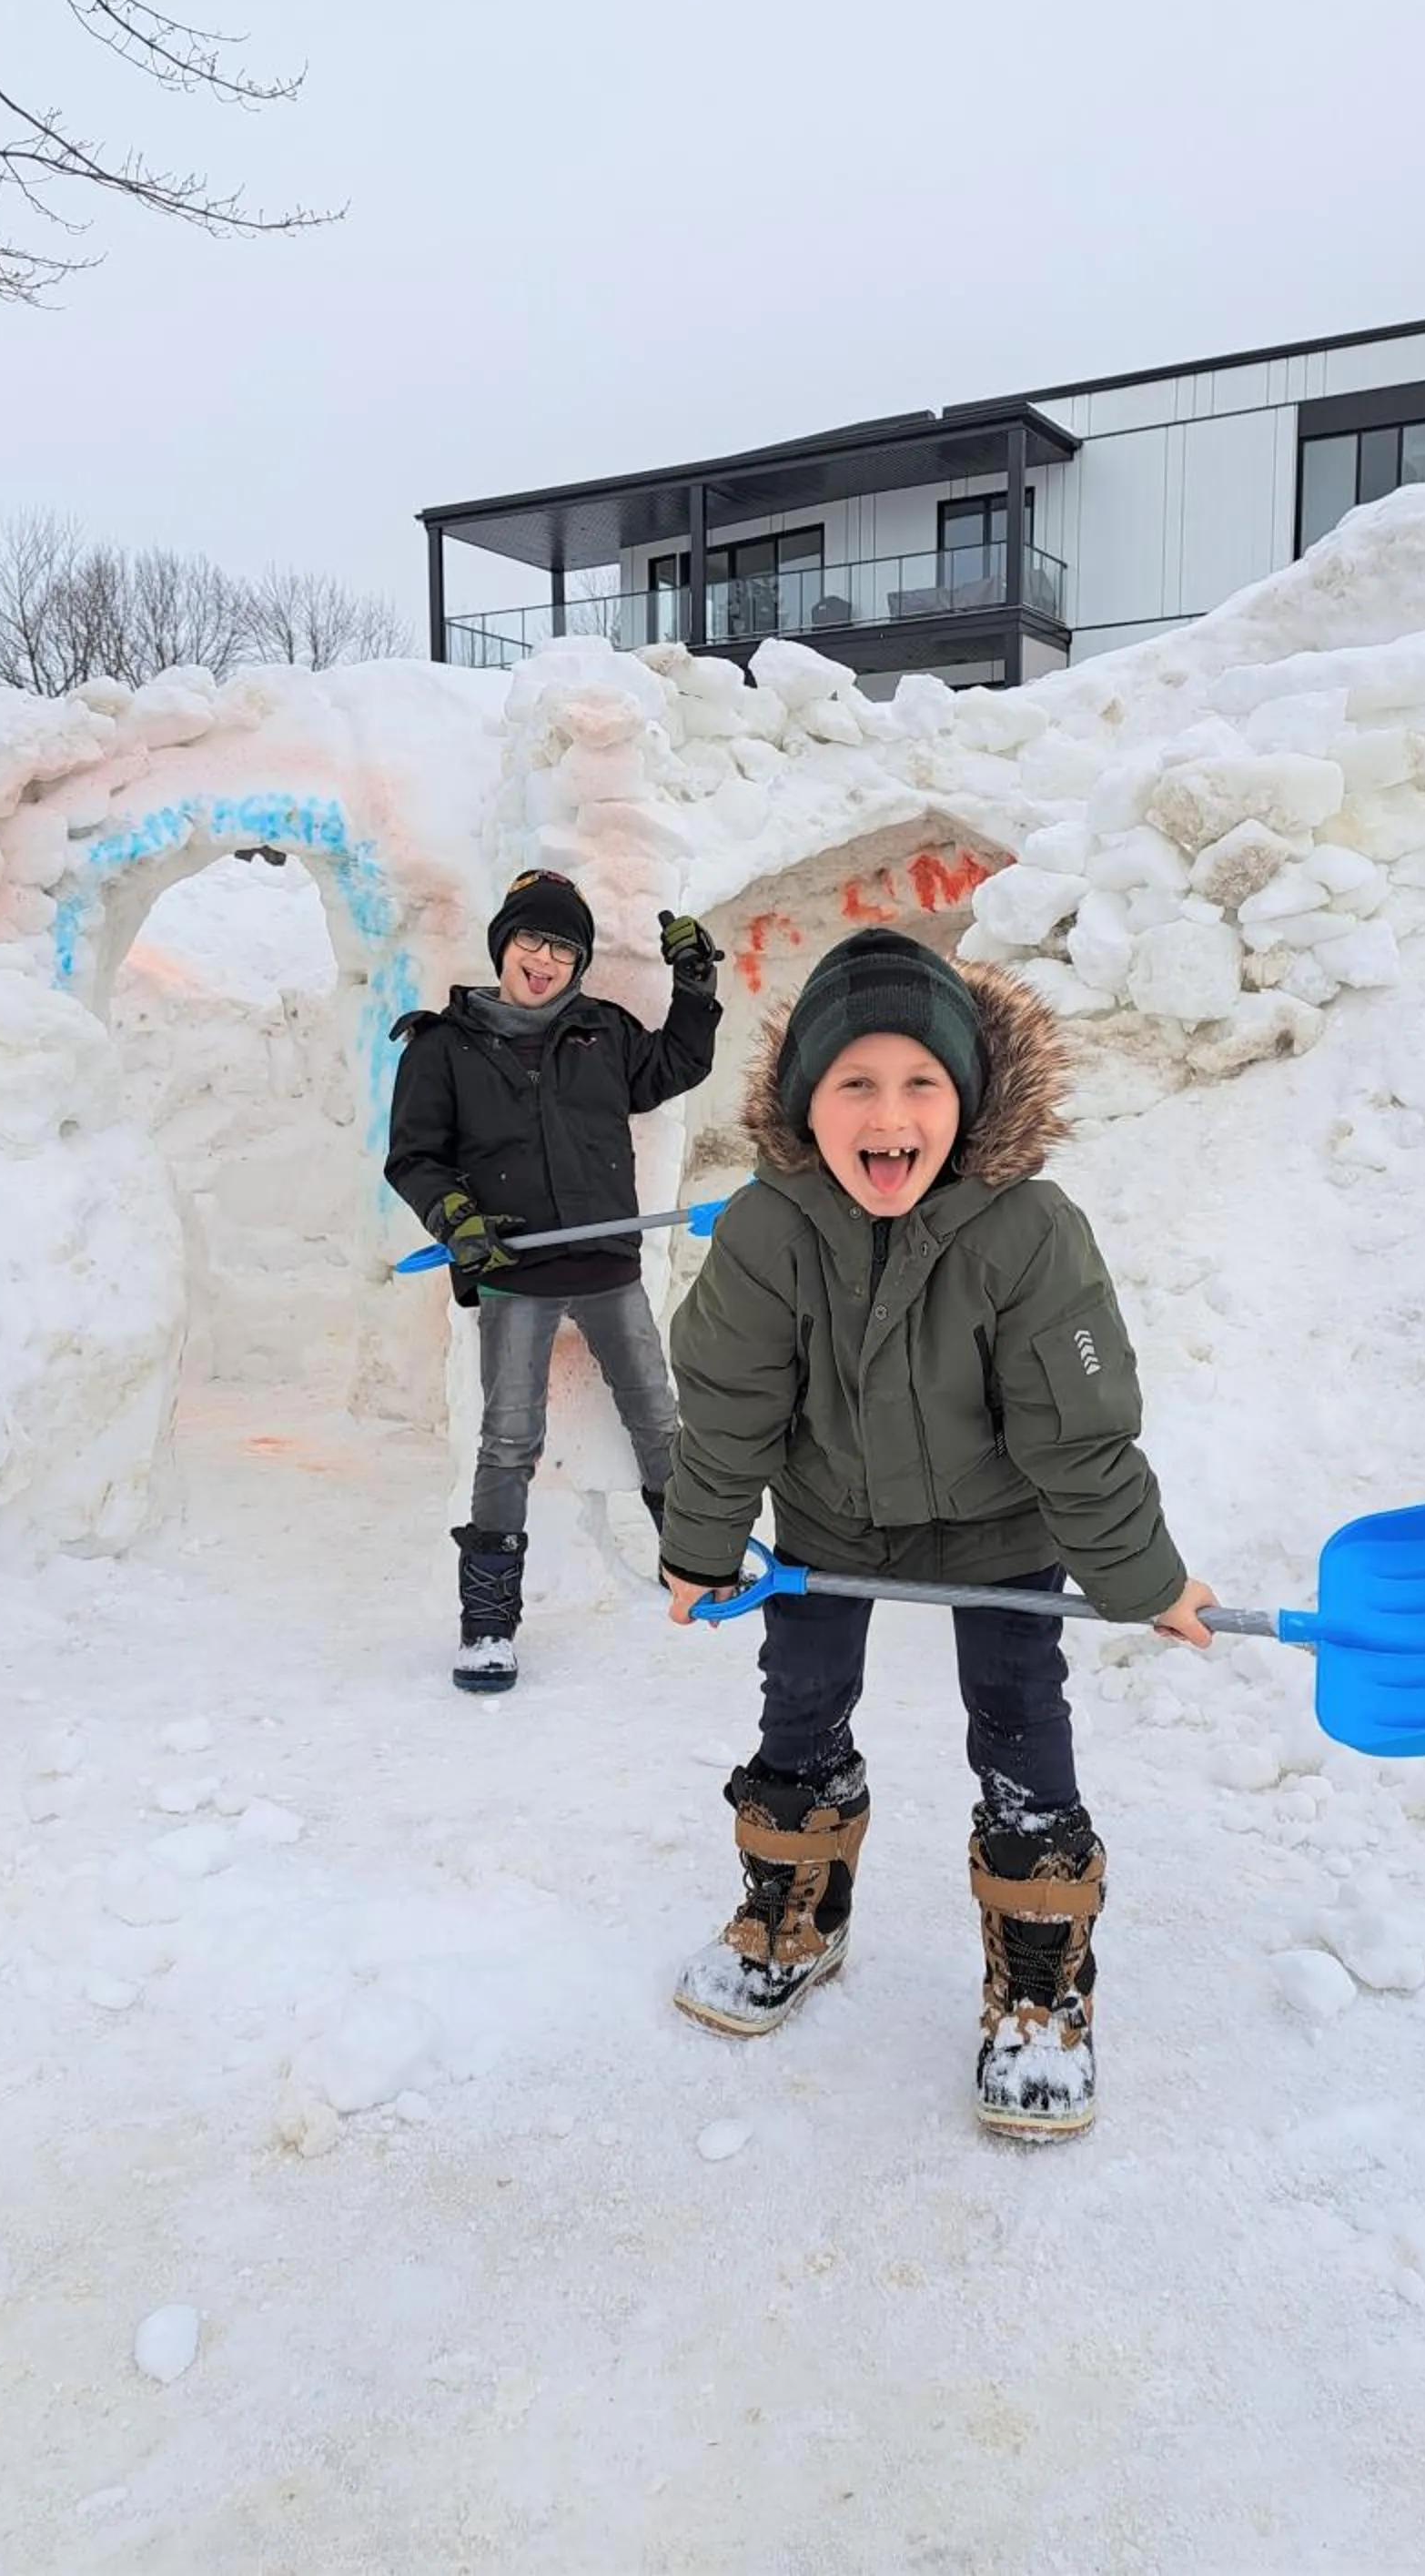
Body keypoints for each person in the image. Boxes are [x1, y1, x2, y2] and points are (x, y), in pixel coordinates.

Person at [655, 929, 1215, 2138]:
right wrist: (700, 1546)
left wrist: (1145, 1578)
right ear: (806, 1100)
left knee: (1020, 1726)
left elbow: (1077, 1431)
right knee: (799, 1706)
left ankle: (1039, 1988)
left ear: (963, 1099)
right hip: (829, 1521)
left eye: (920, 1082)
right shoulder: (764, 1230)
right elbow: (730, 1408)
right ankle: (794, 1915)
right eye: (854, 1081)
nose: (889, 1113)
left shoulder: (1030, 1233)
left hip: (998, 1529)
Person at [386, 868, 722, 1693]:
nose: (545, 960)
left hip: (606, 1261)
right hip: (512, 1271)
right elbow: (415, 1157)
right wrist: (456, 1216)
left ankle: (693, 1567)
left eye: (565, 949)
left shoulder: (602, 1032)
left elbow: (677, 1063)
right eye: (532, 941)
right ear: (505, 946)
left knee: (657, 1416)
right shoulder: (442, 1046)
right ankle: (488, 1624)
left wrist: (694, 987)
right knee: (508, 1440)